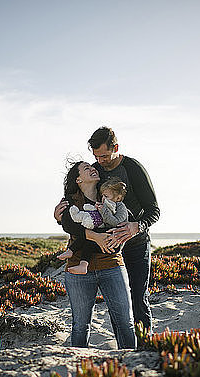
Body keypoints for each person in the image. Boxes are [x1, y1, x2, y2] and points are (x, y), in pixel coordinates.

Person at [54, 127, 159, 333]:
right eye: (96, 156)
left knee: (138, 296)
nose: (100, 161)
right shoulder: (94, 171)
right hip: (106, 248)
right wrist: (60, 216)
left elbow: (153, 210)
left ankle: (145, 346)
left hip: (136, 245)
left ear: (116, 148)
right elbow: (77, 206)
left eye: (104, 155)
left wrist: (136, 226)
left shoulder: (133, 168)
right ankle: (125, 349)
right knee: (118, 304)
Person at [58, 161, 136, 349]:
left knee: (125, 323)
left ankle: (131, 367)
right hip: (78, 269)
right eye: (86, 168)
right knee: (80, 326)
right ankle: (78, 367)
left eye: (92, 167)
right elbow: (69, 225)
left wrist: (128, 232)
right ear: (78, 179)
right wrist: (96, 237)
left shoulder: (110, 197)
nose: (93, 168)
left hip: (111, 265)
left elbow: (128, 222)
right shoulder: (70, 202)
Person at [58, 177, 130, 274]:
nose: (103, 199)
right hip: (105, 235)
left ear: (118, 198)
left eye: (106, 196)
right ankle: (79, 261)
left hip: (114, 242)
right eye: (102, 196)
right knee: (88, 237)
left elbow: (116, 223)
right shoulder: (105, 205)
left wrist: (103, 210)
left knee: (90, 238)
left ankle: (73, 253)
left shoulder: (121, 207)